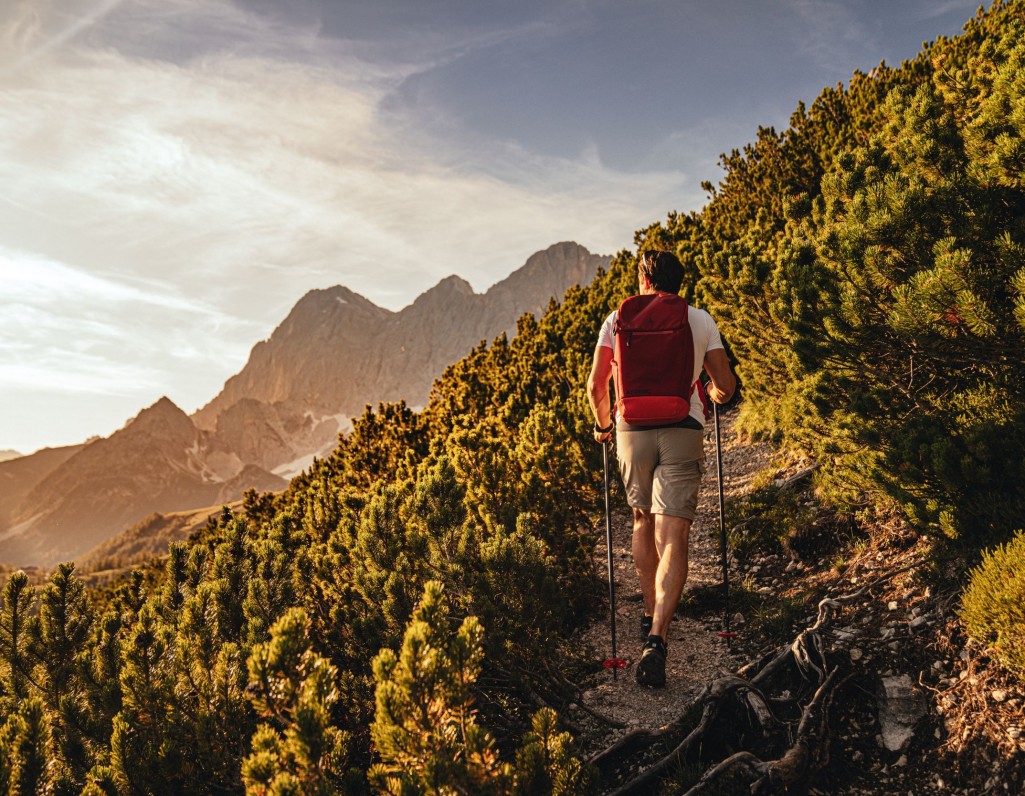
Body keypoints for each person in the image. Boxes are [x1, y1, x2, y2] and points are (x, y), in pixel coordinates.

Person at [587, 250, 736, 688]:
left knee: (641, 520)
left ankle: (651, 608)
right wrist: (716, 395)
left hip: (631, 428)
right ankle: (657, 637)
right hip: (683, 424)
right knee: (675, 531)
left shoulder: (616, 319)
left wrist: (602, 426)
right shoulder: (699, 318)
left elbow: (596, 383)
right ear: (678, 281)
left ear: (644, 280)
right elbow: (724, 384)